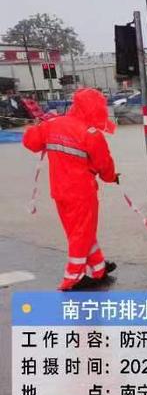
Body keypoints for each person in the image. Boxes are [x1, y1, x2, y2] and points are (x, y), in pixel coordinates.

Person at [23, 88, 119, 290]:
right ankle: (73, 277)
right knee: (81, 233)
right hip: (82, 193)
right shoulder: (91, 134)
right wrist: (111, 178)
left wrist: (38, 126)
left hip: (60, 192)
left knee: (80, 231)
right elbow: (104, 165)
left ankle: (99, 268)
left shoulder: (53, 124)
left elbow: (30, 142)